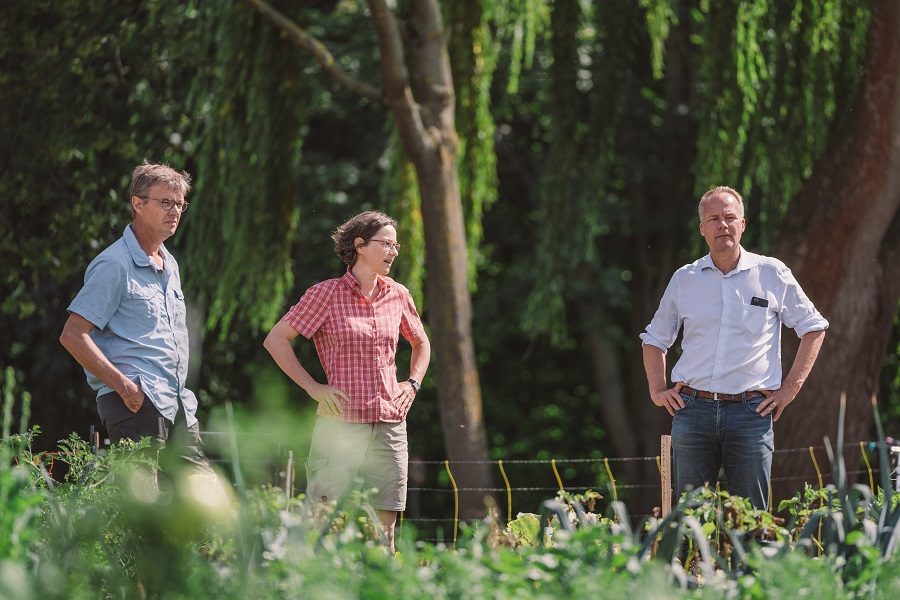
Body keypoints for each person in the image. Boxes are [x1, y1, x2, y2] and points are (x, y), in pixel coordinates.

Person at [640, 186, 828, 509]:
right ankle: (695, 564)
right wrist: (658, 389)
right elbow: (654, 340)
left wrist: (789, 391)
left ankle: (748, 563)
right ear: (702, 229)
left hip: (751, 413)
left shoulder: (771, 274)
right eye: (713, 219)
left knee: (752, 523)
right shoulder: (685, 279)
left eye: (730, 217)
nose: (722, 225)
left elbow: (814, 327)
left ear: (743, 224)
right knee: (690, 518)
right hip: (692, 412)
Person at [264, 210, 431, 552]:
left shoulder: (398, 294)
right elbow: (276, 340)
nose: (394, 251)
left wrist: (412, 383)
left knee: (384, 532)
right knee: (321, 520)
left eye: (396, 245)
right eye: (386, 243)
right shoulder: (325, 294)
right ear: (359, 245)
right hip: (339, 425)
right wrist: (313, 387)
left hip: (390, 423)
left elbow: (421, 343)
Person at [60, 162, 211, 473]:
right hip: (136, 401)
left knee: (207, 497)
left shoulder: (170, 264)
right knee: (142, 506)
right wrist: (126, 388)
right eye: (165, 202)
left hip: (176, 402)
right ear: (138, 204)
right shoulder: (114, 264)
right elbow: (73, 335)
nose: (175, 211)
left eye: (180, 204)